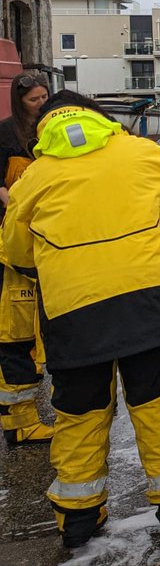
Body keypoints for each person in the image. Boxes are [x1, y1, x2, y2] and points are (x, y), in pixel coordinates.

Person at [2, 90, 160, 548]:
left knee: (80, 414)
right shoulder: (139, 151)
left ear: (45, 127)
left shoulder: (33, 180)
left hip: (75, 318)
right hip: (152, 306)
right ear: (100, 118)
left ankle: (78, 521)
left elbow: (16, 255)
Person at [0, 72, 54, 445]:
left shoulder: (48, 131)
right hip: (12, 235)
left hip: (42, 231)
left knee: (37, 321)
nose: (40, 104)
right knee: (13, 329)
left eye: (44, 97)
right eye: (34, 99)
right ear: (19, 101)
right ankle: (19, 423)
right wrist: (17, 205)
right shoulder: (5, 134)